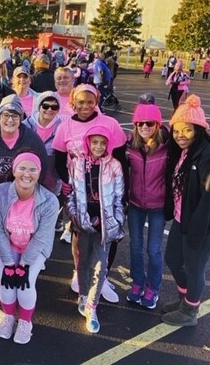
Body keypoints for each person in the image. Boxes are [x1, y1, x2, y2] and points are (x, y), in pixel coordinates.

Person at [162, 95, 210, 326]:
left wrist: (196, 233)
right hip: (183, 217)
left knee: (194, 267)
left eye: (187, 130)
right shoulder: (183, 152)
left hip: (204, 223)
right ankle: (186, 299)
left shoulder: (209, 157)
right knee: (173, 258)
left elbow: (209, 199)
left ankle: (190, 311)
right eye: (176, 130)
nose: (180, 135)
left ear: (199, 130)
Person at [52, 84, 127, 303]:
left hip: (106, 191)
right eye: (81, 102)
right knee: (80, 234)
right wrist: (67, 183)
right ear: (73, 102)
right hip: (79, 193)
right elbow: (58, 157)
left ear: (97, 101)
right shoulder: (65, 126)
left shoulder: (110, 123)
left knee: (108, 233)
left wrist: (123, 193)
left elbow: (121, 159)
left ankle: (101, 278)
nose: (85, 106)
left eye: (90, 102)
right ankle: (80, 272)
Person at [0, 95, 48, 286]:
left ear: (21, 117)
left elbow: (42, 166)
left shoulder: (31, 139)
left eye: (15, 115)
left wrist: (30, 192)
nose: (10, 119)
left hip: (23, 195)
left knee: (19, 230)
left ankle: (24, 263)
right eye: (6, 114)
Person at [0, 151, 57, 344]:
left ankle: (26, 321)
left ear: (39, 172)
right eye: (22, 168)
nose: (27, 174)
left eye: (33, 169)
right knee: (6, 284)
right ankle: (9, 316)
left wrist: (24, 265)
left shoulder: (49, 200)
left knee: (25, 286)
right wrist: (10, 264)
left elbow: (42, 237)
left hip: (34, 248)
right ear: (14, 170)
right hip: (8, 245)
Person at [67, 125, 125, 333]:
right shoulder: (76, 164)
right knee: (83, 262)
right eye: (94, 142)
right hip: (83, 222)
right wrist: (77, 218)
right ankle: (83, 296)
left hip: (105, 222)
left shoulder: (115, 166)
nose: (98, 146)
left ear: (108, 144)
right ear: (87, 143)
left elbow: (119, 199)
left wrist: (115, 224)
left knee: (100, 266)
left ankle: (92, 306)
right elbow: (71, 194)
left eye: (103, 142)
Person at [125, 95, 169, 309]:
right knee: (135, 247)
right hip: (135, 203)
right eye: (139, 123)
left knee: (154, 249)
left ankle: (153, 287)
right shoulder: (129, 146)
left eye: (149, 123)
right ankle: (137, 283)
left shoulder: (167, 147)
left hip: (157, 206)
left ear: (157, 125)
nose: (144, 126)